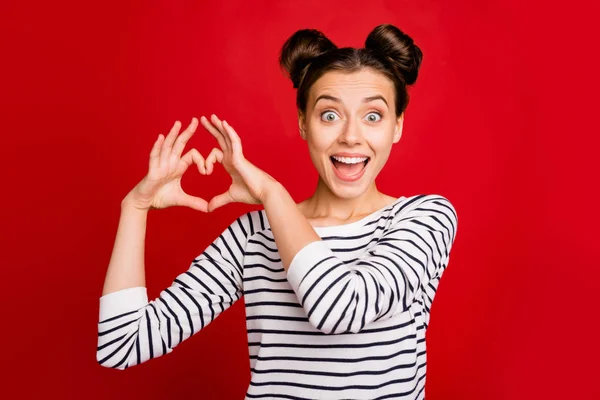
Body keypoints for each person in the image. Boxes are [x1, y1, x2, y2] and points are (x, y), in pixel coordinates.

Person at [97, 23, 458, 400]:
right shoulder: (254, 235)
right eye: (329, 115)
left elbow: (340, 309)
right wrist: (135, 207)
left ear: (397, 126)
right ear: (304, 123)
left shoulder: (424, 219)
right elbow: (122, 344)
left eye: (373, 116)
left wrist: (271, 192)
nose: (351, 136)